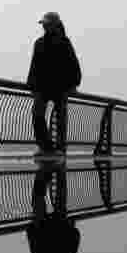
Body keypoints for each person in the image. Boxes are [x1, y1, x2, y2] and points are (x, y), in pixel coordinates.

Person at [27, 12, 82, 154]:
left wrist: (74, 84)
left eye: (47, 24)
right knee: (37, 114)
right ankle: (45, 146)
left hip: (60, 87)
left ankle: (60, 147)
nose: (44, 27)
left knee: (61, 118)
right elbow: (34, 66)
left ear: (55, 25)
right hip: (42, 87)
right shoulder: (39, 43)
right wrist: (31, 85)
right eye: (44, 24)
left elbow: (73, 64)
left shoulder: (64, 43)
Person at [26, 161, 81, 253]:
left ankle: (57, 166)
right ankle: (45, 168)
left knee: (60, 197)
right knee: (38, 199)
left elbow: (75, 239)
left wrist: (71, 228)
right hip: (43, 225)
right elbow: (33, 244)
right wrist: (30, 229)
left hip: (59, 225)